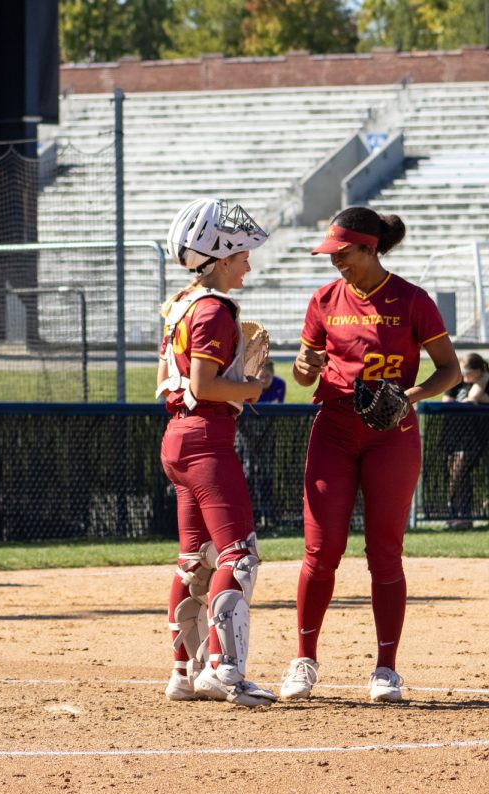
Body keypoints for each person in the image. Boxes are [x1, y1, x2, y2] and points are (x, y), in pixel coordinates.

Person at [279, 207, 461, 703]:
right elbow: (303, 376)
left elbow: (451, 371)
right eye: (331, 254)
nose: (335, 262)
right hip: (334, 428)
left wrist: (411, 397)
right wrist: (301, 364)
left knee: (384, 551)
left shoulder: (411, 300)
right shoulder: (324, 299)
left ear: (368, 248)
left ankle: (386, 669)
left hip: (392, 430)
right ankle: (304, 661)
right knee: (320, 551)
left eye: (342, 253)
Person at [156, 198, 277, 707]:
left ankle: (184, 673)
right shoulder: (213, 309)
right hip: (206, 439)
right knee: (238, 554)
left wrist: (234, 384)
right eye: (243, 254)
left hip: (180, 439)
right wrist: (255, 386)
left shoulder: (180, 303)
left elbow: (169, 381)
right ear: (221, 255)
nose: (248, 263)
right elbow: (205, 385)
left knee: (194, 560)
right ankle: (225, 671)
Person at [442, 353, 489, 528]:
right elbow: (447, 401)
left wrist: (484, 380)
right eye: (463, 371)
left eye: (469, 372)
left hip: (474, 439)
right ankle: (458, 514)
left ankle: (462, 515)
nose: (465, 375)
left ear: (480, 371)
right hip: (453, 436)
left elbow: (475, 398)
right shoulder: (456, 382)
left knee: (460, 473)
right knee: (455, 474)